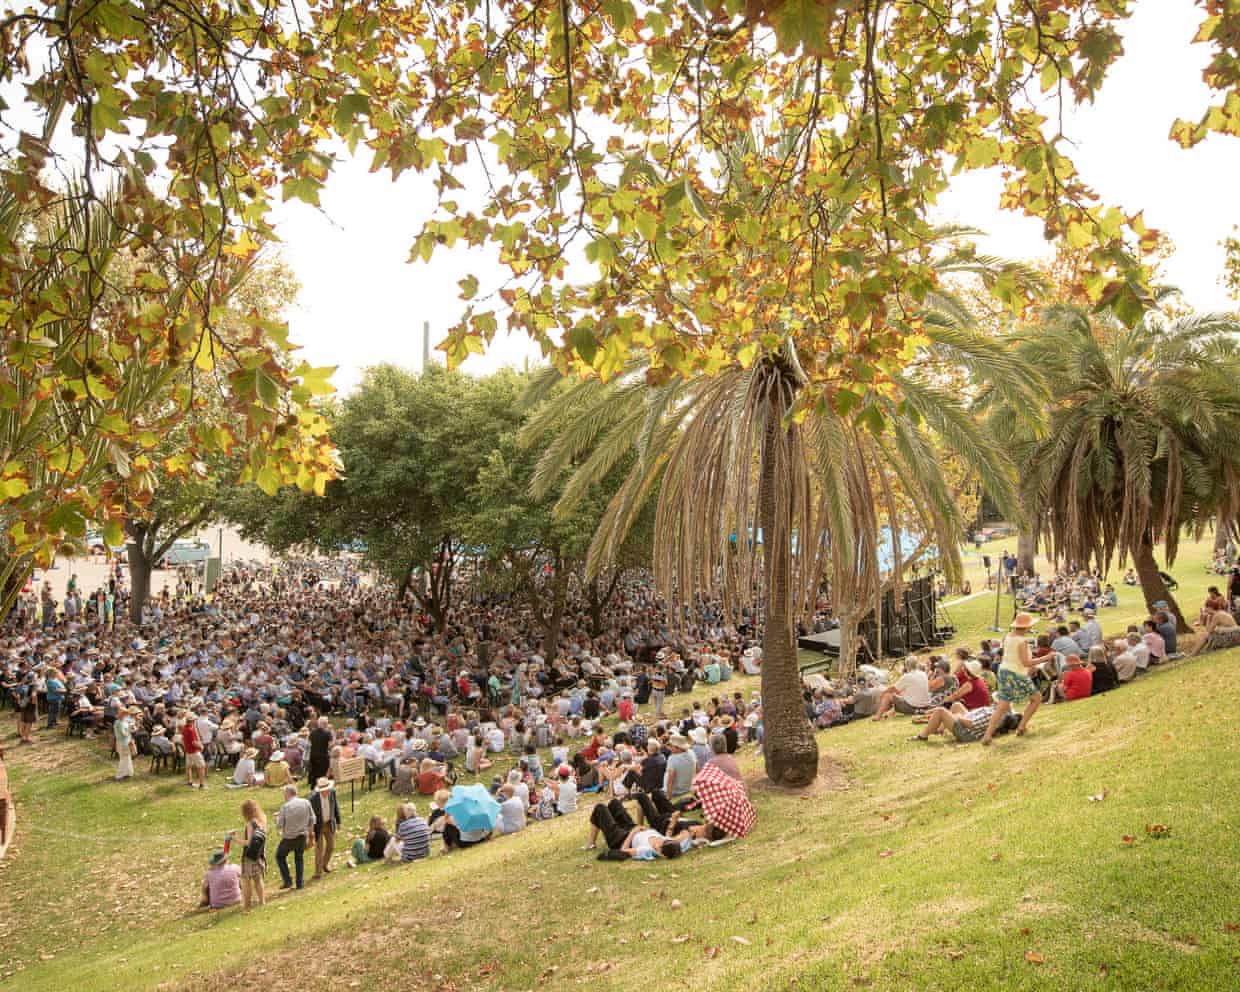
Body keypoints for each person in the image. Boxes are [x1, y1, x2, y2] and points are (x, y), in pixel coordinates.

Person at [981, 613, 1042, 745]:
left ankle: (987, 735)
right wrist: (1046, 658)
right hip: (1015, 673)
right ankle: (1021, 726)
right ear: (1027, 626)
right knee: (1036, 698)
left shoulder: (1008, 637)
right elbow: (1026, 662)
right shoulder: (1022, 641)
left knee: (1002, 705)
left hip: (1004, 671)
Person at [275, 783, 316, 890]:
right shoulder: (306, 802)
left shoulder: (285, 807)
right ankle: (299, 884)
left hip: (289, 838)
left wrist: (277, 818)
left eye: (284, 793)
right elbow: (313, 819)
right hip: (302, 835)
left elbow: (279, 825)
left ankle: (287, 881)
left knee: (280, 856)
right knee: (299, 858)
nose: (283, 796)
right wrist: (310, 832)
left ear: (288, 793)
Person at [908, 702, 995, 744]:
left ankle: (923, 736)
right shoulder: (992, 710)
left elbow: (971, 724)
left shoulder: (991, 714)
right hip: (968, 721)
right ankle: (939, 729)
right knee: (956, 705)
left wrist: (958, 716)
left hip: (968, 733)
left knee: (940, 711)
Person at [309, 777, 341, 879]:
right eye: (323, 791)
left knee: (331, 846)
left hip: (329, 823)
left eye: (327, 789)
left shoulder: (332, 792)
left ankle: (324, 864)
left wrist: (339, 821)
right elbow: (310, 815)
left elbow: (335, 807)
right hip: (318, 826)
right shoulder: (313, 799)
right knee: (319, 849)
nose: (326, 792)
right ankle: (317, 872)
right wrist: (311, 830)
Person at [238, 798, 267, 909]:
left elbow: (248, 843)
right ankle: (262, 901)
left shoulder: (250, 824)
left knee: (246, 880)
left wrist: (234, 838)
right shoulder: (263, 819)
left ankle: (247, 905)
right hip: (260, 854)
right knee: (258, 879)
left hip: (249, 856)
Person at [182, 711, 207, 789]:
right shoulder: (190, 729)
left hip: (188, 751)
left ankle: (189, 782)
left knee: (188, 766)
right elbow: (194, 742)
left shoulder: (184, 728)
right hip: (194, 751)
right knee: (202, 767)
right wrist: (201, 747)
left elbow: (183, 739)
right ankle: (202, 785)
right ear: (192, 721)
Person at [113, 706, 135, 781]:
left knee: (128, 758)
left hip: (127, 742)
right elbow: (124, 734)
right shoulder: (118, 723)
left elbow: (129, 730)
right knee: (123, 759)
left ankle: (128, 772)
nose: (127, 716)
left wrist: (132, 728)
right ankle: (119, 776)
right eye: (125, 714)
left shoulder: (124, 721)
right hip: (122, 743)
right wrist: (130, 729)